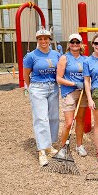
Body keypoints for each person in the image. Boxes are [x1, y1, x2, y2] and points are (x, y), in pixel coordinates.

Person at [23, 27, 60, 167]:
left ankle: (49, 145)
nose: (43, 41)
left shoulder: (56, 54)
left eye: (45, 38)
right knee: (41, 118)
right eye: (40, 39)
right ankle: (41, 151)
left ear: (49, 40)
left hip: (53, 87)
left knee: (54, 117)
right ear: (37, 40)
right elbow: (26, 74)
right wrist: (30, 87)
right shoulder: (31, 56)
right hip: (38, 88)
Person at [55, 33, 88, 157]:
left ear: (81, 44)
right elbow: (59, 78)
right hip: (69, 92)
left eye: (77, 42)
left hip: (82, 93)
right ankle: (63, 147)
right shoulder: (64, 58)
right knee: (69, 122)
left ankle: (79, 145)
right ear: (69, 44)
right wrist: (74, 83)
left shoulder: (85, 59)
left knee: (80, 120)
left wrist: (85, 84)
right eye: (72, 42)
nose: (75, 44)